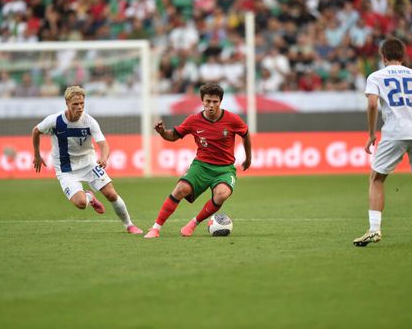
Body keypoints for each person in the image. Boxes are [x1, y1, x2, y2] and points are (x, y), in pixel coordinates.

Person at [353, 37, 412, 247]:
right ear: (403, 56)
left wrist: (371, 134)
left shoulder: (376, 76)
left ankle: (374, 229)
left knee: (376, 179)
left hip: (395, 132)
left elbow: (371, 104)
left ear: (383, 56)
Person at [144, 82, 252, 238]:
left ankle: (193, 223)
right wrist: (162, 132)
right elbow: (173, 135)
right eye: (208, 101)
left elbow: (246, 134)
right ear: (202, 101)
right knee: (180, 189)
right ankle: (155, 228)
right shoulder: (193, 120)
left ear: (220, 102)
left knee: (222, 194)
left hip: (224, 169)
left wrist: (248, 158)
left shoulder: (232, 119)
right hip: (201, 166)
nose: (211, 105)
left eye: (215, 101)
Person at [32, 85, 143, 234]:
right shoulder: (54, 120)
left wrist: (104, 157)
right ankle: (89, 197)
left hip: (89, 164)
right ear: (67, 103)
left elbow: (103, 144)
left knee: (111, 194)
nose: (79, 107)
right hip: (66, 169)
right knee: (81, 203)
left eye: (82, 103)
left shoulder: (90, 121)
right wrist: (37, 154)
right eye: (75, 104)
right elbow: (36, 131)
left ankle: (129, 225)